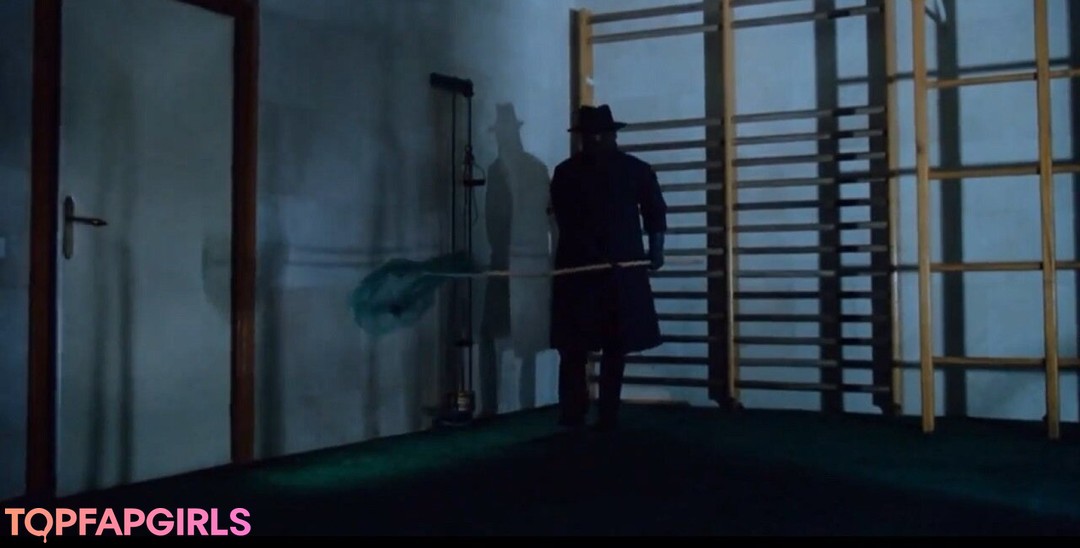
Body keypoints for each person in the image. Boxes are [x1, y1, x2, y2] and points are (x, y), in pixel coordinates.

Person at [548, 104, 668, 432]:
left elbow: (655, 211)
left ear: (613, 135)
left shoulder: (635, 170)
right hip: (580, 271)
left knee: (615, 344)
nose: (596, 140)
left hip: (617, 271)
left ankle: (606, 415)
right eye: (591, 135)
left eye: (601, 134)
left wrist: (656, 249)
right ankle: (574, 414)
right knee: (574, 347)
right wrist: (591, 252)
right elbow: (565, 219)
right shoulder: (567, 173)